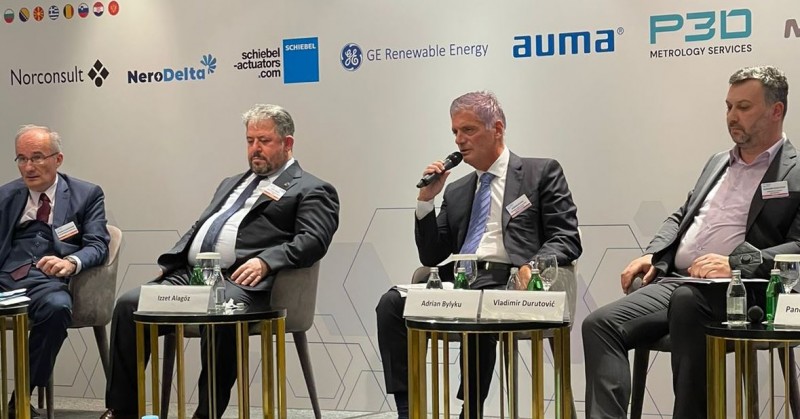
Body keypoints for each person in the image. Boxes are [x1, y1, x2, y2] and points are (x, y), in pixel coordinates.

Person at [582, 65, 800, 418]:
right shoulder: (717, 162)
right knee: (600, 325)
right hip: (680, 282)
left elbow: (798, 247)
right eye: (728, 106)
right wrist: (654, 253)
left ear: (776, 111)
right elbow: (681, 216)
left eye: (744, 107)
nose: (732, 116)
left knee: (687, 302)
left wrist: (734, 263)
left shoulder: (795, 170)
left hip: (744, 290)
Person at [100, 104, 340, 419]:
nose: (255, 148)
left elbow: (313, 240)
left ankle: (207, 414)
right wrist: (174, 262)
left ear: (288, 143)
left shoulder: (311, 188)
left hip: (244, 282)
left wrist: (266, 262)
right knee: (129, 305)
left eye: (264, 141)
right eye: (250, 140)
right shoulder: (231, 183)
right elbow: (203, 226)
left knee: (218, 309)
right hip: (194, 275)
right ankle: (122, 411)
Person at [375, 91, 582, 419]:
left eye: (468, 130)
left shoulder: (540, 173)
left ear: (496, 129)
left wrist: (533, 265)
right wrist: (426, 201)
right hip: (463, 277)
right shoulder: (457, 190)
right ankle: (407, 410)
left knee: (479, 301)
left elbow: (566, 237)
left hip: (511, 279)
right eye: (455, 132)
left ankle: (469, 411)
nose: (459, 140)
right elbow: (431, 255)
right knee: (391, 304)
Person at [0, 125, 109, 418]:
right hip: (5, 276)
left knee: (57, 308)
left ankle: (21, 398)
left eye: (37, 157)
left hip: (46, 280)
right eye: (22, 159)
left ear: (57, 159)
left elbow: (98, 244)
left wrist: (71, 262)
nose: (28, 167)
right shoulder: (5, 195)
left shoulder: (86, 194)